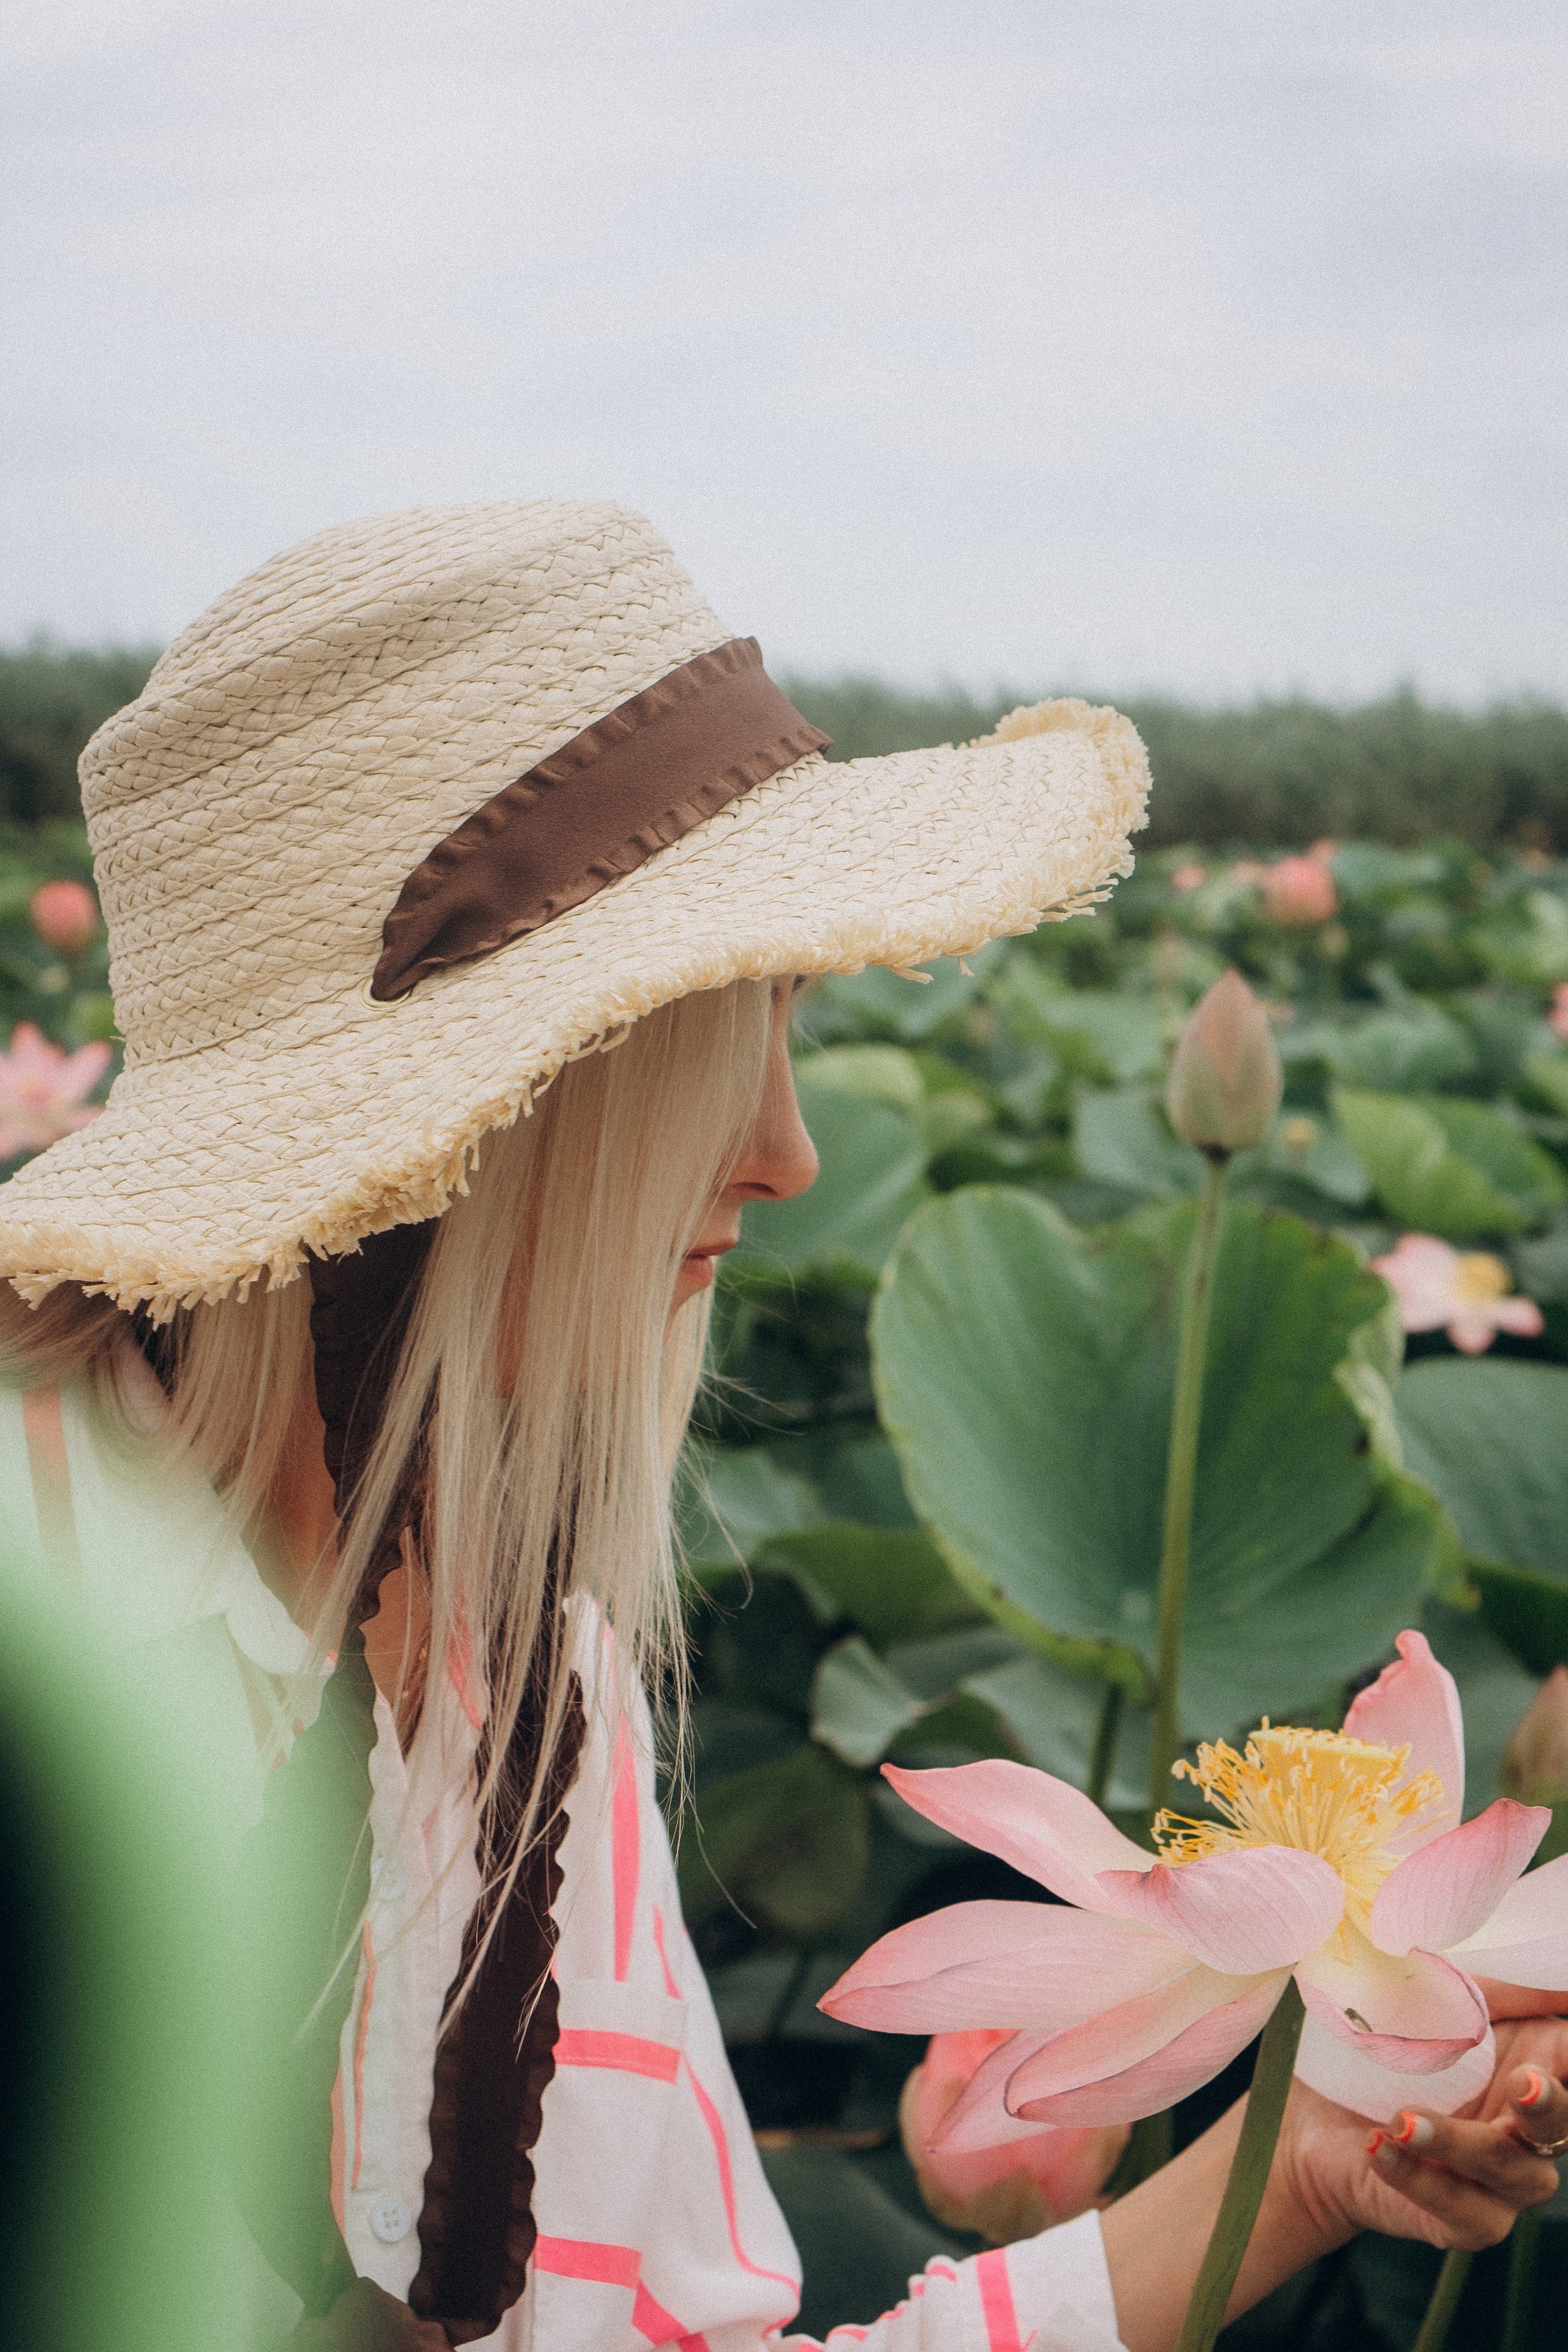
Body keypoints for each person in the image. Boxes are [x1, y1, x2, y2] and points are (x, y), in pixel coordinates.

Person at [0, 500, 1561, 2352]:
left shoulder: (517, 1655)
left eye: (794, 1018)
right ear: (474, 1119)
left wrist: (1287, 2174)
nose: (790, 1153)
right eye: (710, 1032)